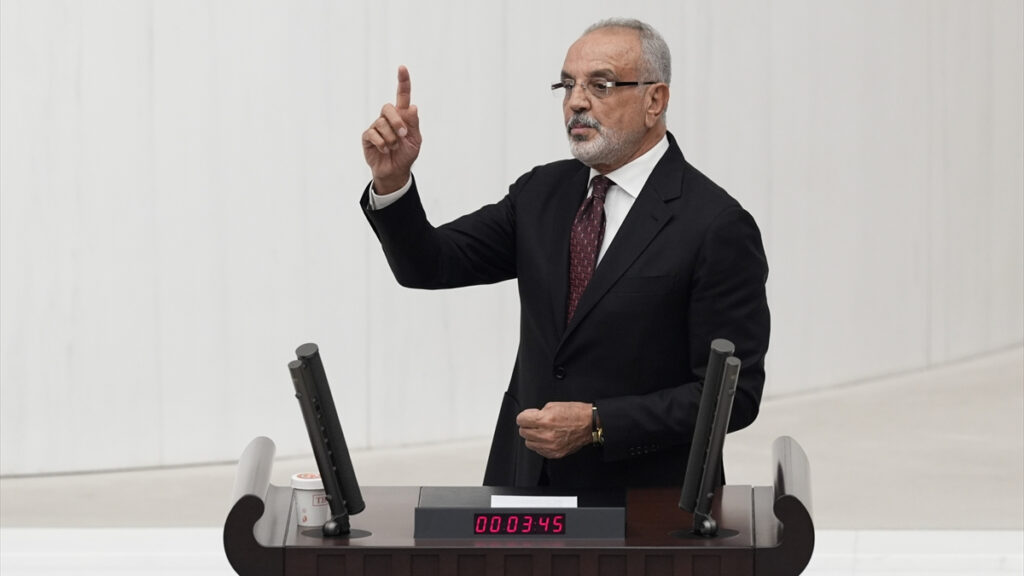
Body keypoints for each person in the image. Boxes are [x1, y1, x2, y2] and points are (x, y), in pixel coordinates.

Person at [360, 18, 770, 489]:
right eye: (567, 85)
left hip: (644, 504)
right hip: (526, 484)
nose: (576, 101)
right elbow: (428, 265)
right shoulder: (541, 193)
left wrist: (598, 424)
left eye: (600, 84)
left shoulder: (716, 225)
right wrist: (392, 182)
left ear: (655, 100)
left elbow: (733, 397)